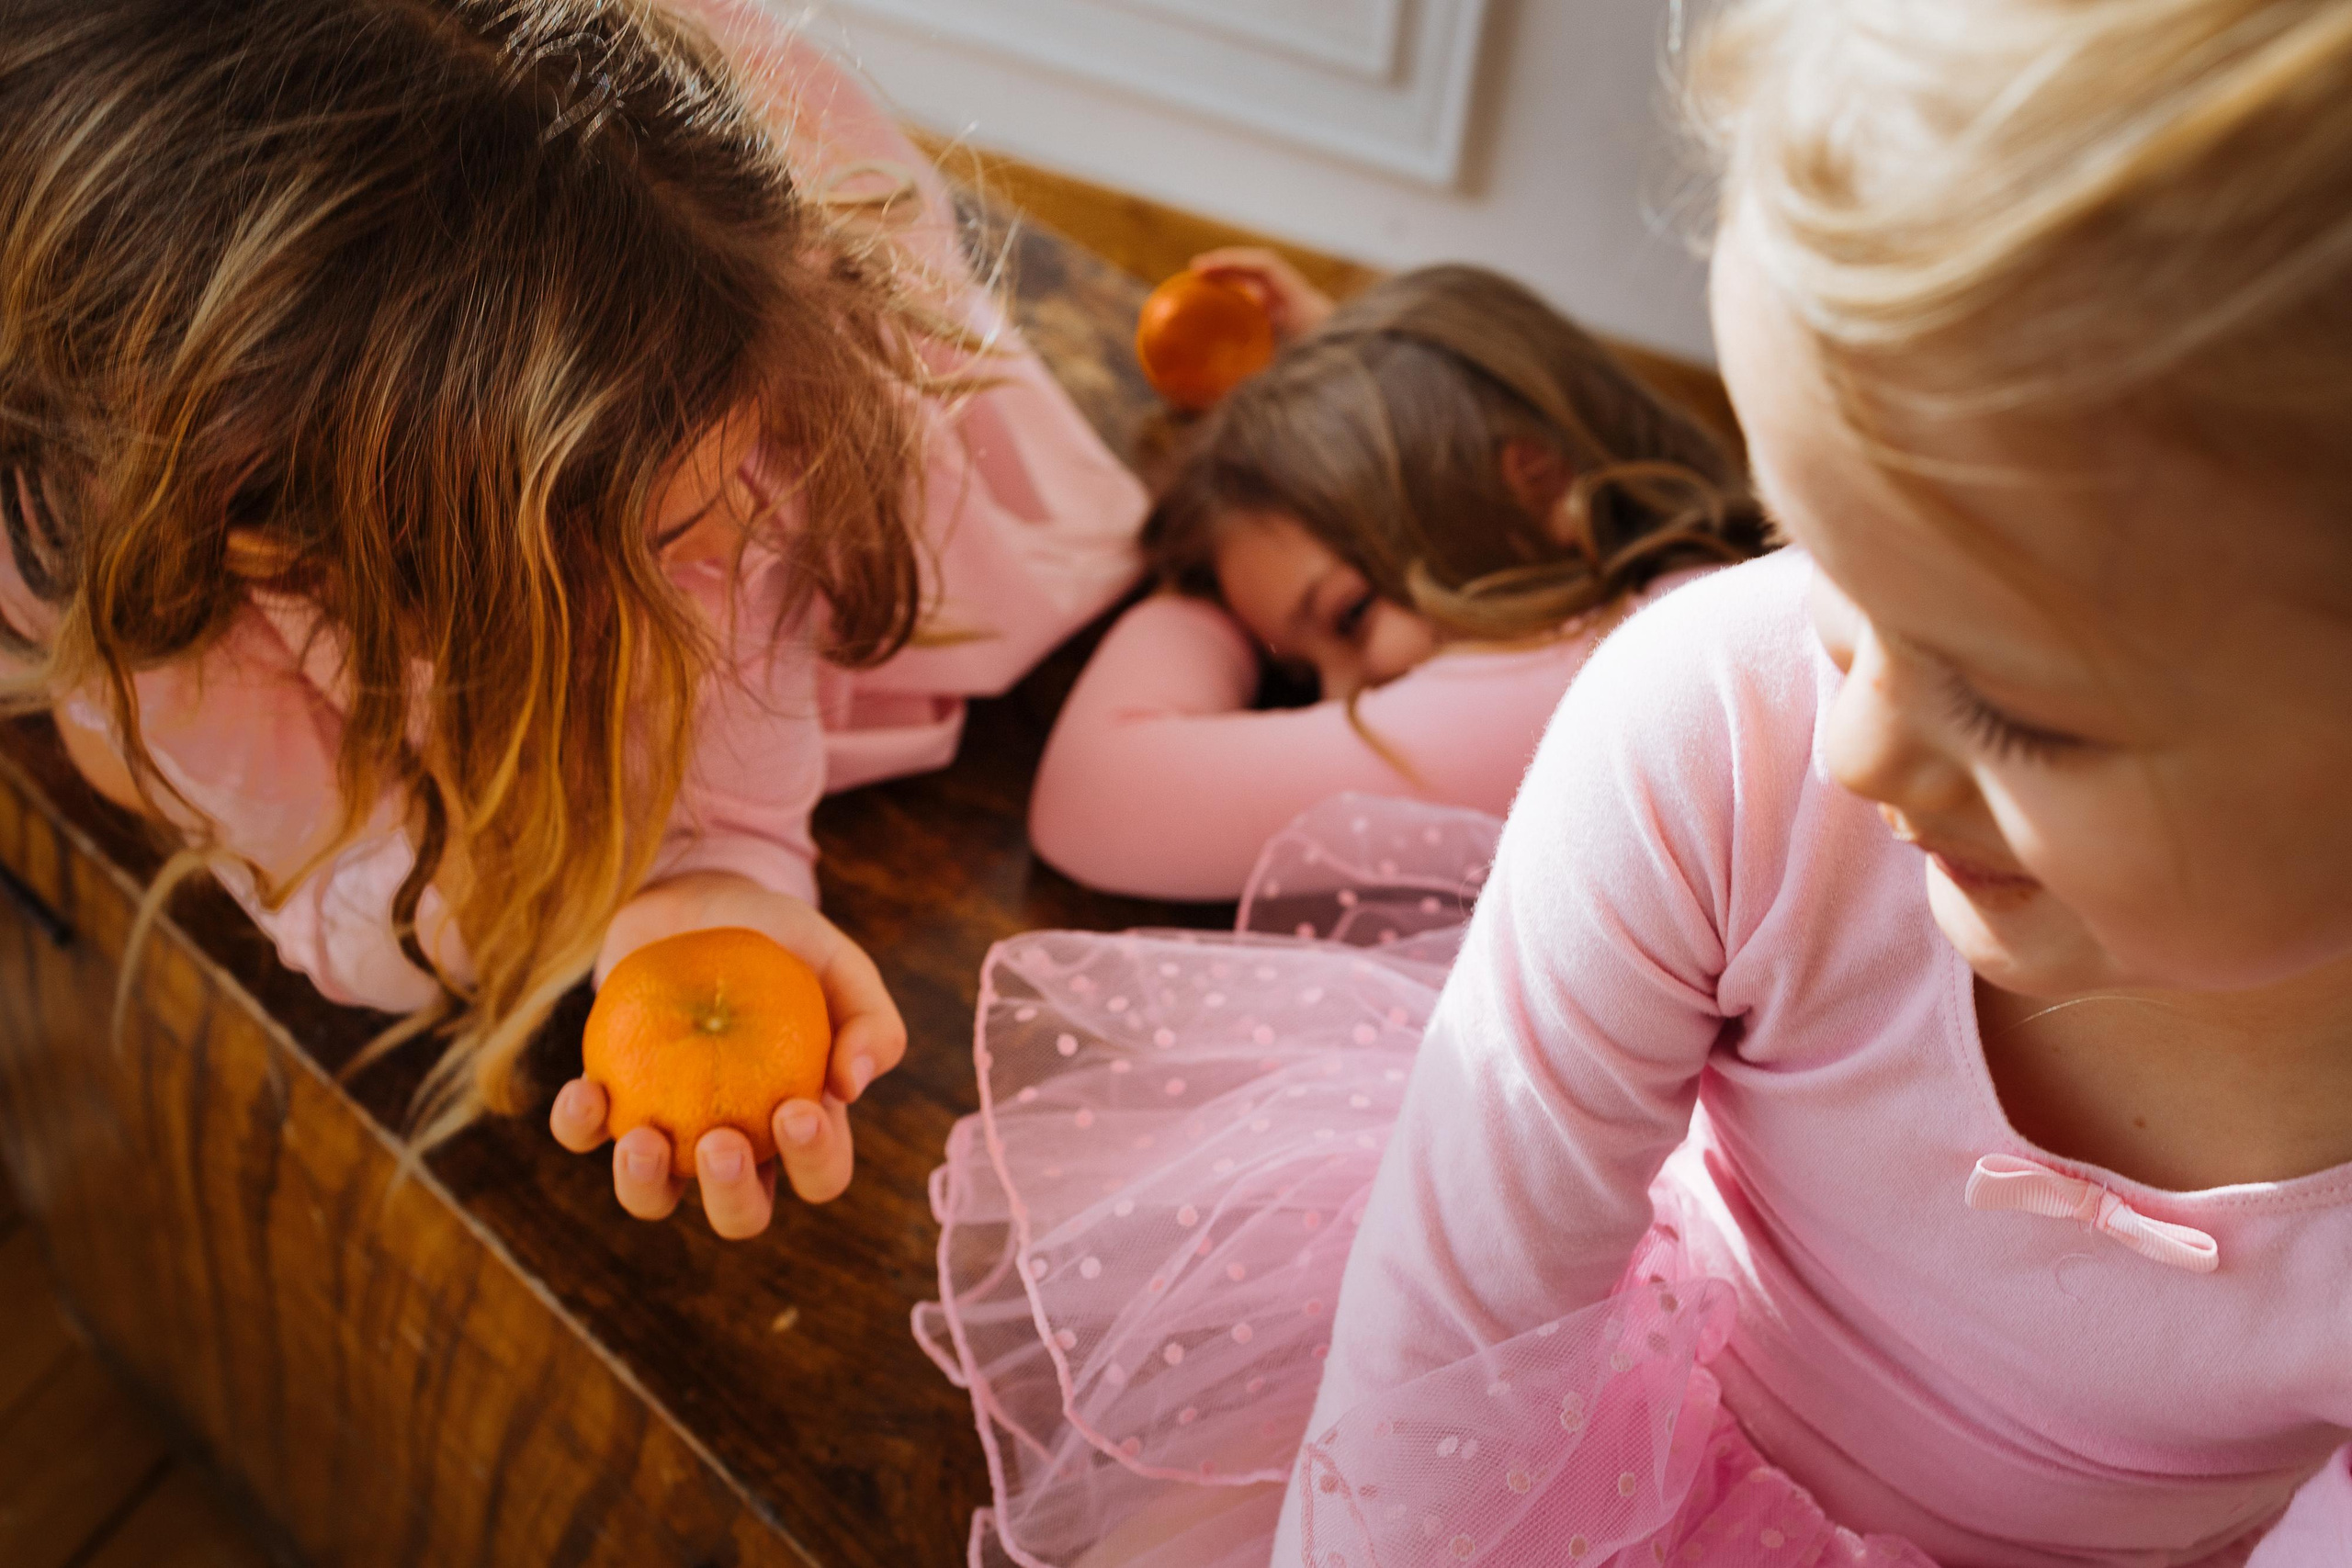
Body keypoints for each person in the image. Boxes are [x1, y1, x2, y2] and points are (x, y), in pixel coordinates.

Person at [922, 0, 2352, 1561]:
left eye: (2013, 701)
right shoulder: (1720, 722)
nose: (1862, 742)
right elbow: (1437, 1362)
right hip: (1596, 1450)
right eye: (1823, 561)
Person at [0, 0, 1143, 1236]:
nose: (724, 557)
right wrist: (551, 883)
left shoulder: (699, 332)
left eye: (726, 497)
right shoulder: (182, 594)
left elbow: (736, 726)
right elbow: (362, 910)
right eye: (660, 544)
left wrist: (713, 878)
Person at [1028, 261, 1763, 900]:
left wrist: (1191, 588)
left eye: (1350, 617)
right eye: (1304, 663)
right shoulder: (1693, 607)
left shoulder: (1592, 688)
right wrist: (1338, 379)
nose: (1339, 695)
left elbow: (1092, 796)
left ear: (1535, 483)